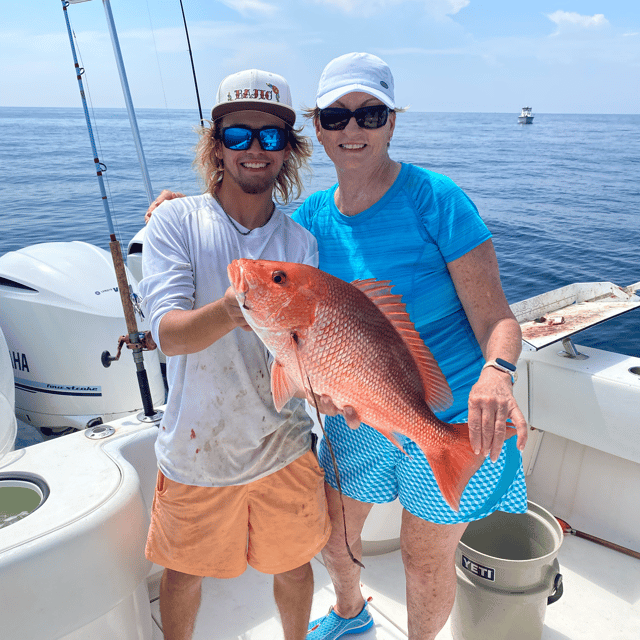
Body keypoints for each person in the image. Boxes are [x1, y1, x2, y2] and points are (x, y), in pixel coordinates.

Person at [147, 53, 529, 640]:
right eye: (336, 116)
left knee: (423, 560)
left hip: (447, 409)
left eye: (370, 114)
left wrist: (497, 374)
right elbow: (273, 264)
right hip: (358, 413)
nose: (353, 130)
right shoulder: (311, 221)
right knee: (334, 537)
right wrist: (182, 204)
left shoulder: (436, 198)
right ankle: (350, 617)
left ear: (392, 122)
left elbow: (496, 317)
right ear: (319, 129)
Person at [139, 68, 330, 640]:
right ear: (217, 144)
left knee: (295, 567)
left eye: (270, 137)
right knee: (183, 573)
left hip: (285, 443)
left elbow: (301, 351)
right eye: (238, 134)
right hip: (198, 449)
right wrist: (231, 309)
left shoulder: (301, 244)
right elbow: (168, 334)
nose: (254, 149)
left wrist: (337, 391)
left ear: (288, 150)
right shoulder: (175, 221)